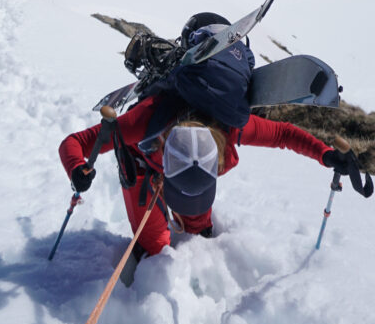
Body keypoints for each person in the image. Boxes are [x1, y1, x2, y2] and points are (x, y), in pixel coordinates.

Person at [59, 92, 354, 269]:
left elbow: (283, 134)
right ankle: (150, 251)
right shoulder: (143, 122)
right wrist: (76, 167)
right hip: (143, 169)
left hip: (191, 178)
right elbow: (75, 142)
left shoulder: (230, 126)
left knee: (198, 227)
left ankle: (196, 226)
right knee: (155, 248)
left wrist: (326, 155)